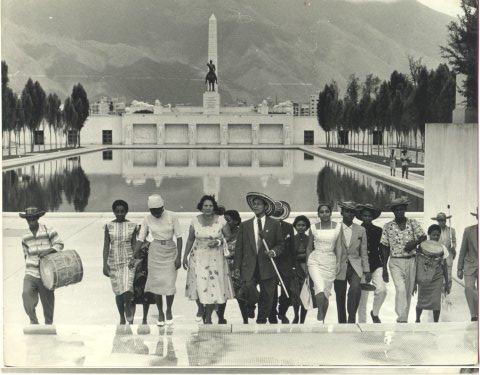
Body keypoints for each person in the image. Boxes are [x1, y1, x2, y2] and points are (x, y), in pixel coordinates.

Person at [131, 194, 183, 326]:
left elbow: (179, 237)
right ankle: (160, 312)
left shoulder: (172, 216)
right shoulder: (147, 219)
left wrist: (179, 257)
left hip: (170, 250)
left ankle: (169, 310)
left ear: (163, 206)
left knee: (169, 284)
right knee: (157, 285)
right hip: (155, 252)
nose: (156, 213)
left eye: (158, 210)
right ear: (150, 210)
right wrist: (133, 256)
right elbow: (141, 239)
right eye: (153, 211)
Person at [233, 192, 284, 324]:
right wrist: (236, 267)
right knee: (248, 287)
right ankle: (251, 305)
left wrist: (273, 251)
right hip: (249, 266)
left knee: (268, 295)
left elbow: (280, 244)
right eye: (254, 204)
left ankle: (261, 320)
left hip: (267, 265)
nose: (255, 206)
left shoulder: (274, 224)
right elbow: (239, 248)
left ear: (265, 206)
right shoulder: (245, 225)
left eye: (259, 204)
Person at [184, 195, 233, 324]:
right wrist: (184, 256)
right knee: (198, 285)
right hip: (198, 257)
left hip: (215, 258)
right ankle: (201, 309)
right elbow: (190, 239)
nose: (208, 208)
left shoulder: (221, 220)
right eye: (205, 206)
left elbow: (228, 236)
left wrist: (218, 241)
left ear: (214, 207)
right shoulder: (194, 220)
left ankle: (209, 317)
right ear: (201, 207)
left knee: (212, 287)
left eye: (210, 206)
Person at [380, 197, 426, 323]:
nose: (399, 212)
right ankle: (401, 317)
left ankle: (403, 319)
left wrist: (414, 243)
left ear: (405, 210)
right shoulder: (388, 226)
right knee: (400, 289)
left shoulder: (413, 223)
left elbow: (423, 236)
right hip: (395, 262)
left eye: (401, 209)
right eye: (396, 210)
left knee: (408, 291)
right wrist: (384, 268)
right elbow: (384, 247)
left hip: (411, 261)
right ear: (393, 211)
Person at [20, 207, 64, 325]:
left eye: (34, 219)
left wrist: (48, 251)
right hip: (31, 272)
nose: (31, 221)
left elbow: (59, 244)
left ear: (38, 218)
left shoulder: (48, 230)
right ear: (26, 220)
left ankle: (48, 324)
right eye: (29, 219)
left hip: (47, 273)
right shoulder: (25, 236)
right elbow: (26, 254)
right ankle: (33, 322)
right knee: (26, 294)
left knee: (48, 302)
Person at [334, 201, 370, 324]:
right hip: (339, 266)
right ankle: (342, 323)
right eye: (347, 211)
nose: (349, 214)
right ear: (342, 213)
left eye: (352, 212)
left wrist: (366, 270)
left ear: (355, 214)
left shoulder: (361, 230)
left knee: (355, 289)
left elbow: (363, 252)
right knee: (340, 296)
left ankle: (352, 318)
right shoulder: (335, 228)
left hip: (355, 266)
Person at [103, 200, 139, 324]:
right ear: (113, 211)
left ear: (126, 211)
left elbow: (134, 244)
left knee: (128, 288)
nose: (119, 214)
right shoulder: (108, 226)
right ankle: (121, 317)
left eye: (122, 211)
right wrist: (104, 264)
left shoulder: (132, 226)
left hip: (128, 261)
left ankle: (128, 307)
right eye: (117, 211)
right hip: (114, 261)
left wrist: (135, 259)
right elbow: (106, 246)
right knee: (118, 291)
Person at [306, 203, 341, 322]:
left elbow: (338, 247)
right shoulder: (313, 227)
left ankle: (322, 320)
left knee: (326, 293)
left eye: (327, 211)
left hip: (330, 261)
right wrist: (307, 264)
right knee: (319, 288)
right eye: (322, 212)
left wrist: (338, 263)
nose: (324, 214)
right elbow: (309, 247)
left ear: (331, 213)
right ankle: (320, 313)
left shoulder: (337, 227)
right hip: (315, 260)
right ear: (318, 214)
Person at [356, 204, 387, 323]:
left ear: (373, 217)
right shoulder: (357, 230)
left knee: (382, 290)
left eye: (369, 216)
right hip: (361, 267)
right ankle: (362, 325)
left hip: (376, 265)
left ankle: (374, 313)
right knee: (362, 299)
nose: (367, 218)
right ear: (361, 217)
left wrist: (384, 268)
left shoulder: (379, 231)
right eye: (365, 215)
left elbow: (382, 250)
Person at [414, 224, 450, 323]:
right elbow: (417, 264)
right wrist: (414, 283)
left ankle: (435, 323)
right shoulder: (421, 246)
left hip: (437, 278)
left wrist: (447, 283)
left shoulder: (442, 248)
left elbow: (445, 267)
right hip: (424, 277)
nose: (436, 237)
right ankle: (417, 320)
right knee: (421, 300)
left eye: (438, 235)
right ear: (429, 234)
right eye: (434, 235)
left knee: (436, 301)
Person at [269, 200, 296, 324]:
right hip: (271, 263)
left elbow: (292, 248)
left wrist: (293, 265)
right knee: (271, 291)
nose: (277, 213)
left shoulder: (289, 227)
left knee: (287, 291)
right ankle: (272, 315)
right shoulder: (267, 226)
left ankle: (282, 312)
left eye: (279, 211)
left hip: (286, 264)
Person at [223, 209, 251, 324]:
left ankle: (245, 320)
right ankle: (220, 318)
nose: (226, 223)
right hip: (224, 266)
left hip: (237, 267)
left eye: (228, 220)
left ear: (236, 221)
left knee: (241, 296)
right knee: (223, 295)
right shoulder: (222, 234)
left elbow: (247, 251)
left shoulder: (242, 233)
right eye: (225, 220)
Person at [457, 208, 478, 322]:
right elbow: (463, 250)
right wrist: (459, 268)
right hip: (470, 265)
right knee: (469, 288)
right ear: (477, 217)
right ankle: (474, 314)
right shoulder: (468, 230)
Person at [292, 215, 311, 324]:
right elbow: (290, 255)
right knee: (295, 295)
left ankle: (302, 320)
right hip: (295, 270)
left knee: (305, 296)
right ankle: (296, 316)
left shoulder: (310, 239)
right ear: (295, 226)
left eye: (303, 225)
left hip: (307, 270)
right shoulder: (291, 239)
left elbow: (312, 254)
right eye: (298, 225)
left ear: (307, 227)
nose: (301, 227)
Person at [431, 212, 456, 292]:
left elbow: (454, 242)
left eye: (443, 220)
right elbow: (431, 243)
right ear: (437, 221)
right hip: (438, 255)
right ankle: (440, 295)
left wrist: (453, 246)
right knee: (438, 275)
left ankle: (447, 293)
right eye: (440, 220)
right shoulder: (434, 231)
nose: (442, 222)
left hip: (448, 255)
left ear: (445, 220)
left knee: (448, 276)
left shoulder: (451, 230)